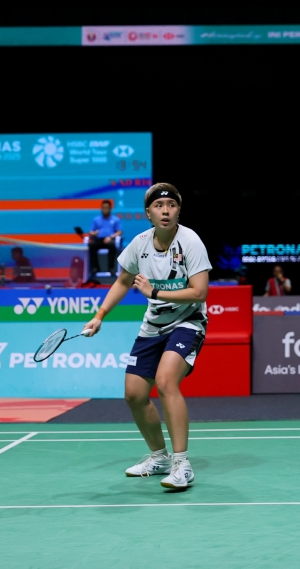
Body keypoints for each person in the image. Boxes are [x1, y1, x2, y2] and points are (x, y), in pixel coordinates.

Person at [83, 183, 211, 490]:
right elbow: (123, 281)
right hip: (153, 326)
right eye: (159, 205)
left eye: (171, 205)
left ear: (178, 210)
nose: (165, 210)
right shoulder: (139, 244)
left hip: (188, 321)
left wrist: (153, 291)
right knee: (134, 394)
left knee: (166, 381)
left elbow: (199, 291)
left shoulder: (190, 241)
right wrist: (100, 315)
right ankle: (160, 457)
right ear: (148, 213)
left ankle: (182, 464)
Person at [87, 199, 123, 276]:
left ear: (110, 208)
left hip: (109, 239)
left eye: (107, 207)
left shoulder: (115, 219)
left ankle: (111, 268)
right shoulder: (96, 219)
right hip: (99, 239)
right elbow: (90, 231)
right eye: (103, 207)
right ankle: (95, 268)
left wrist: (111, 237)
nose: (105, 209)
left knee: (112, 245)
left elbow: (119, 232)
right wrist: (94, 233)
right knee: (91, 245)